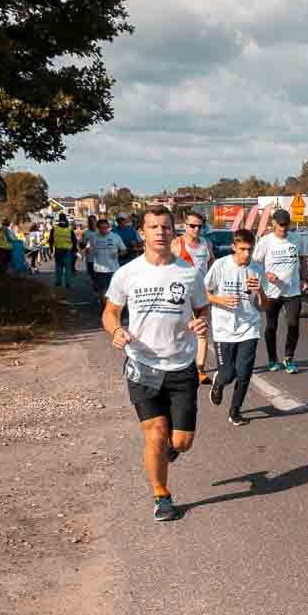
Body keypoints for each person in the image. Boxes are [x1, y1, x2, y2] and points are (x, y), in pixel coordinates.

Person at [103, 206, 210, 522]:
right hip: (142, 365)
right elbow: (110, 312)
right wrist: (116, 330)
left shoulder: (189, 273)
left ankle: (169, 450)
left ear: (173, 231)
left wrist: (201, 322)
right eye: (153, 227)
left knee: (181, 442)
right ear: (142, 233)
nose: (160, 232)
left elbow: (202, 308)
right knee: (155, 433)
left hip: (181, 364)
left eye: (165, 227)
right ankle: (161, 495)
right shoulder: (127, 273)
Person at [204, 229, 269, 426]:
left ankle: (235, 411)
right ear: (234, 247)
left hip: (249, 327)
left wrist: (259, 290)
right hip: (224, 329)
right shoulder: (220, 265)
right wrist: (220, 300)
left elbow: (264, 306)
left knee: (244, 373)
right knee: (228, 374)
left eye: (250, 250)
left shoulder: (257, 269)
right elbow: (203, 293)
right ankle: (219, 382)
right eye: (242, 249)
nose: (247, 254)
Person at [254, 208, 308, 374]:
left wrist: (303, 278)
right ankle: (272, 359)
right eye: (281, 225)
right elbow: (254, 263)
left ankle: (289, 358)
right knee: (271, 326)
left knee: (293, 324)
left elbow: (303, 259)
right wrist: (266, 274)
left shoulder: (296, 239)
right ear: (273, 223)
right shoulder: (265, 241)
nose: (284, 228)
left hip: (292, 291)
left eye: (286, 225)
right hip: (271, 292)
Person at [172, 211, 216, 383]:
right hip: (181, 295)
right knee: (180, 331)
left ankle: (200, 370)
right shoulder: (176, 243)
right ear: (185, 226)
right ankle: (178, 365)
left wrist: (212, 282)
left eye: (200, 226)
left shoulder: (206, 243)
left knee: (202, 331)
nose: (196, 229)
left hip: (202, 294)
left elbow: (212, 262)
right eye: (192, 226)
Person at [87, 217, 127, 301]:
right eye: (101, 228)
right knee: (103, 291)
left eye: (105, 228)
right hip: (99, 270)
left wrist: (118, 254)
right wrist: (88, 250)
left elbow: (124, 250)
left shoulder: (115, 237)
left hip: (113, 269)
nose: (103, 230)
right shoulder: (93, 237)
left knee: (114, 291)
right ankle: (104, 306)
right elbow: (88, 249)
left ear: (108, 227)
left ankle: (113, 306)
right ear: (98, 228)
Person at [48, 213, 76, 288]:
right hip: (67, 251)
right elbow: (74, 240)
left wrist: (51, 249)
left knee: (58, 267)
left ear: (59, 219)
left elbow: (50, 240)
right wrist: (74, 250)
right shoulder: (69, 229)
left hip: (58, 250)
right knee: (68, 268)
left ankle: (58, 282)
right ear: (65, 219)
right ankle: (68, 283)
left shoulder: (54, 228)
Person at [83, 215, 98, 282]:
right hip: (90, 258)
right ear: (88, 222)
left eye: (93, 221)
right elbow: (83, 244)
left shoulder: (100, 231)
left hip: (100, 257)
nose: (92, 223)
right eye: (90, 221)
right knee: (92, 274)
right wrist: (85, 248)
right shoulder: (85, 232)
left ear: (96, 221)